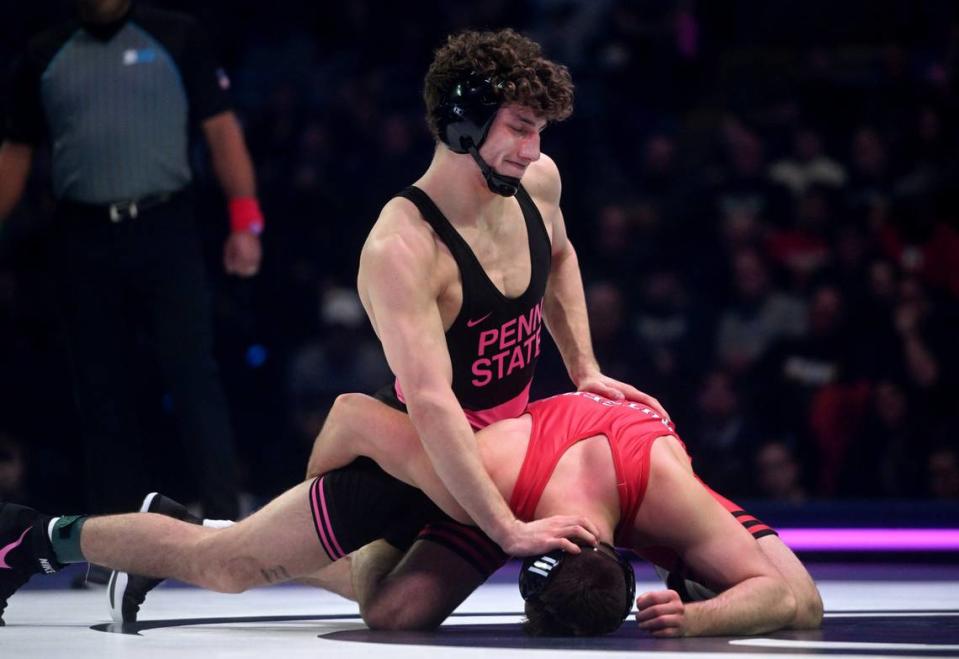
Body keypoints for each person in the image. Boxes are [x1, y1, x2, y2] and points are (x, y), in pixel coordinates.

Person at [292, 27, 668, 627]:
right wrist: (505, 526)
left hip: (504, 432)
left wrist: (584, 368)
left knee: (393, 610)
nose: (533, 148)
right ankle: (135, 538)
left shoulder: (537, 181)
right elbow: (434, 403)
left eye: (539, 130)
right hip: (429, 440)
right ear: (463, 125)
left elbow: (562, 254)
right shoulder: (405, 242)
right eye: (520, 128)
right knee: (232, 563)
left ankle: (208, 527)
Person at [0, 390, 821, 637]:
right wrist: (301, 511)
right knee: (231, 567)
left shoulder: (664, 490)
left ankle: (194, 535)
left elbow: (795, 597)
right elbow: (355, 414)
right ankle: (35, 535)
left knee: (391, 610)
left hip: (522, 501)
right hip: (466, 486)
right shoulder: (487, 462)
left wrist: (700, 617)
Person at [0, 0, 264, 519]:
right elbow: (15, 151)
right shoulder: (44, 53)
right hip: (82, 234)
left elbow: (221, 129)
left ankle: (223, 520)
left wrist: (246, 221)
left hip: (164, 226)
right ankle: (114, 539)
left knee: (193, 375)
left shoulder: (176, 34)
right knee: (100, 388)